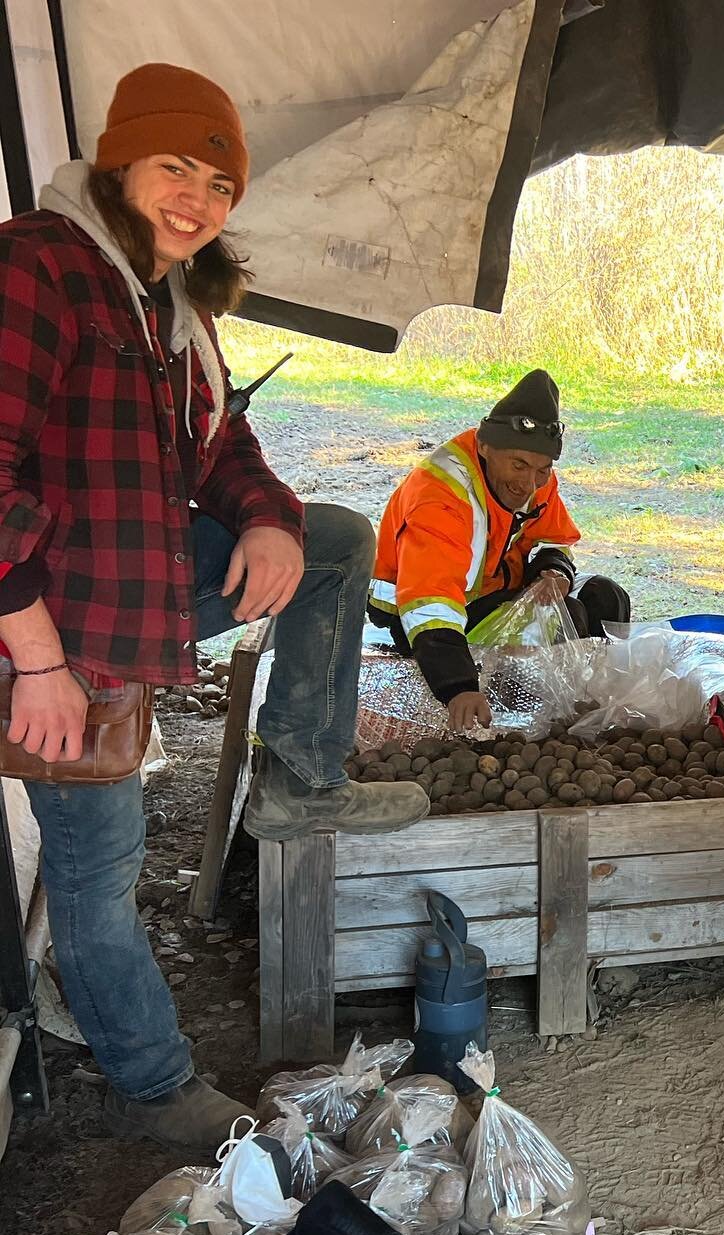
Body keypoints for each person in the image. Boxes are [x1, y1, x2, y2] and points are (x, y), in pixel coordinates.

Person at [0, 64, 431, 1152]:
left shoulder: (170, 300)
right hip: (54, 623)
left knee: (328, 536)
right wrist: (39, 663)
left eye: (219, 183)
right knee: (101, 869)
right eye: (174, 169)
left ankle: (298, 772)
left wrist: (265, 519)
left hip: (138, 586)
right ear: (118, 164)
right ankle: (156, 1088)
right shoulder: (40, 266)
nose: (196, 197)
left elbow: (223, 444)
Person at [367, 369, 631, 728]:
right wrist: (457, 686)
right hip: (424, 621)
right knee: (560, 618)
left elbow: (554, 538)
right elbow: (429, 601)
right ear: (484, 446)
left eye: (542, 469)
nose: (528, 483)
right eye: (519, 465)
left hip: (494, 593)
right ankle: (533, 720)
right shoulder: (442, 496)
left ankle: (584, 706)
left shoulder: (535, 480)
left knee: (607, 597)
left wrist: (553, 571)